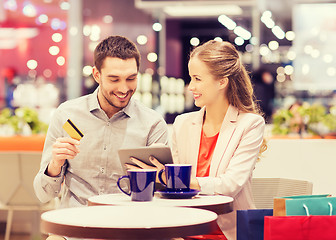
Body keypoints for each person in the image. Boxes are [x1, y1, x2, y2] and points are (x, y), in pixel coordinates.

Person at [130, 40, 266, 240]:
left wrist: (178, 180)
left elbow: (229, 186)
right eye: (191, 78)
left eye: (197, 79)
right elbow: (173, 187)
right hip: (186, 229)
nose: (190, 86)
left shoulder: (250, 124)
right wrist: (157, 177)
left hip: (230, 233)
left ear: (222, 81)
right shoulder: (182, 123)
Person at [33, 35, 169, 208]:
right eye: (114, 79)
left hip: (129, 227)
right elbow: (43, 195)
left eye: (131, 78)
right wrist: (55, 165)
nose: (123, 88)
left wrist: (161, 179)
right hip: (76, 228)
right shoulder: (66, 115)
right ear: (97, 75)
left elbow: (162, 195)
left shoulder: (153, 124)